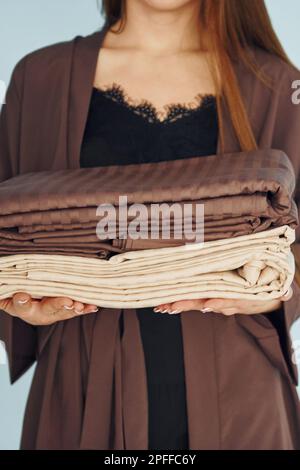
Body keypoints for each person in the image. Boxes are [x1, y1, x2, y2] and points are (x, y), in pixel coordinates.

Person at [0, 0, 300, 450]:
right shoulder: (40, 78)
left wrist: (268, 293)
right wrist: (13, 294)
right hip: (81, 387)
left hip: (239, 397)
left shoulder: (277, 85)